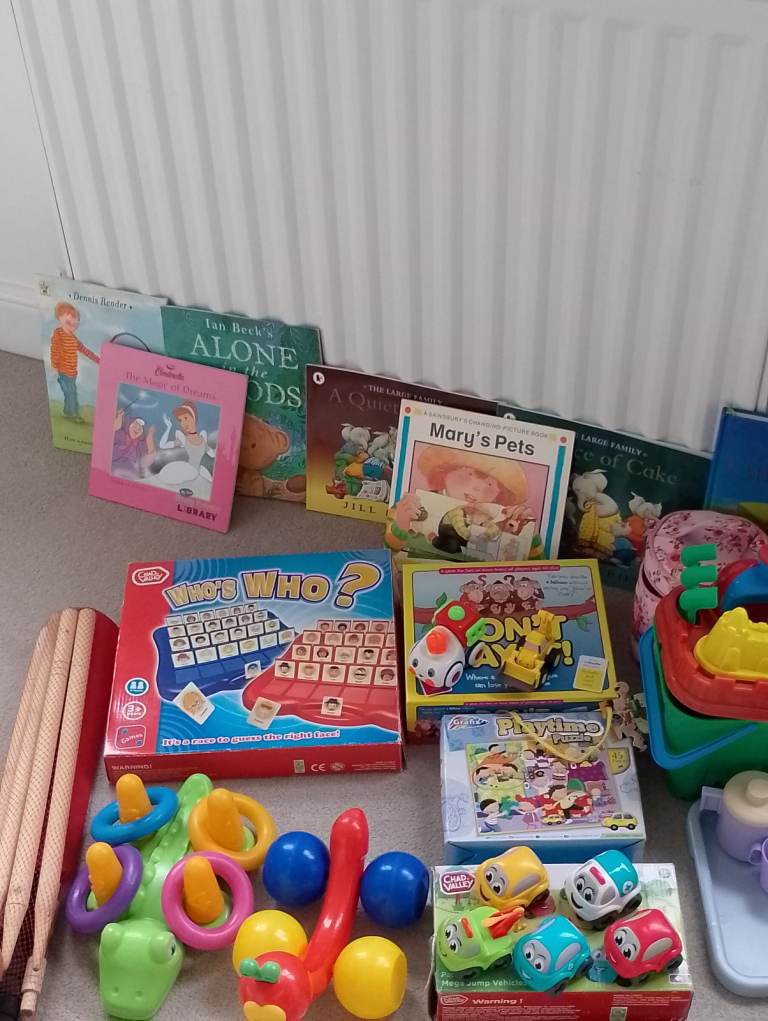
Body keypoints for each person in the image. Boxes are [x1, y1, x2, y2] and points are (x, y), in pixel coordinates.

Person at [49, 302, 99, 422]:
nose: (73, 323)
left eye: (76, 322)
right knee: (71, 393)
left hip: (72, 373)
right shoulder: (58, 333)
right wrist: (55, 366)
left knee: (71, 393)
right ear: (59, 318)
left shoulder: (73, 338)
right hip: (63, 371)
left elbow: (85, 350)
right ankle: (74, 414)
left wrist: (99, 360)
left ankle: (68, 412)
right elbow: (55, 349)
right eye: (69, 321)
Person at [158, 401, 215, 479]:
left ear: (193, 418)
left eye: (186, 418)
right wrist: (168, 428)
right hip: (187, 472)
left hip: (199, 474)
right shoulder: (183, 439)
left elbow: (212, 454)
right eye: (180, 420)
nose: (183, 423)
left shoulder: (202, 438)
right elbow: (162, 445)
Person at [112, 408, 155, 478]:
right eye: (135, 426)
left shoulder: (140, 446)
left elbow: (148, 457)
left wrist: (150, 436)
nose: (137, 429)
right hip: (114, 469)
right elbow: (111, 434)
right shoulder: (121, 435)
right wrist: (118, 419)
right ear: (129, 425)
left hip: (131, 474)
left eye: (139, 429)